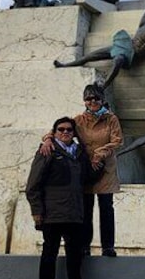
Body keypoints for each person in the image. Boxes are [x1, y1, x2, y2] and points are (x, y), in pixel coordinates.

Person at [41, 84, 124, 257]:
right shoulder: (78, 120)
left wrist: (100, 154)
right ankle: (85, 245)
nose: (92, 101)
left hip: (105, 168)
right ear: (84, 101)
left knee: (106, 207)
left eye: (96, 98)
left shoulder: (111, 119)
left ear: (102, 100)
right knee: (86, 208)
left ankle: (108, 246)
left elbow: (117, 140)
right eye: (88, 98)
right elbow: (57, 130)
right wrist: (48, 140)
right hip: (85, 168)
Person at [25, 116, 100, 279]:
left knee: (75, 255)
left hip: (74, 213)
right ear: (54, 132)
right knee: (49, 253)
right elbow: (33, 185)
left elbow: (88, 178)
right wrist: (37, 211)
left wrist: (101, 159)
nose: (65, 132)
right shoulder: (47, 150)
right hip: (52, 213)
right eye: (61, 129)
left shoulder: (79, 153)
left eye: (69, 129)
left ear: (74, 132)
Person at [54, 8, 145, 88]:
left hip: (131, 56)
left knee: (118, 61)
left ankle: (103, 86)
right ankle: (66, 65)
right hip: (123, 46)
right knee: (92, 55)